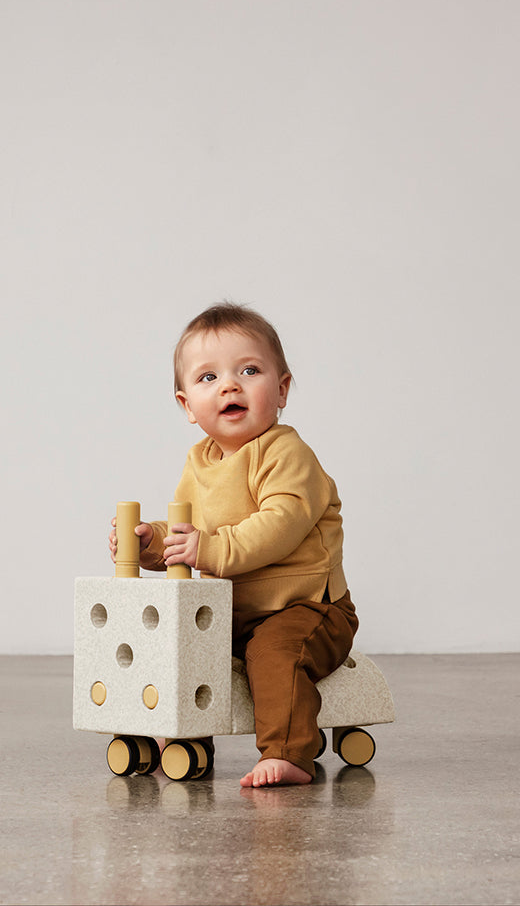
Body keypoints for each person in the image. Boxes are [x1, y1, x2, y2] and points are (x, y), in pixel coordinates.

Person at [108, 302, 359, 787]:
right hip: (232, 612)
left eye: (249, 371)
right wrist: (148, 543)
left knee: (276, 654)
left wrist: (209, 551)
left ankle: (288, 753)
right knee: (179, 645)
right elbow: (188, 530)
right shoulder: (200, 462)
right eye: (209, 377)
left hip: (307, 607)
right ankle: (177, 733)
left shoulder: (287, 453)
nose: (229, 386)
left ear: (281, 389)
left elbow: (280, 524)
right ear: (187, 405)